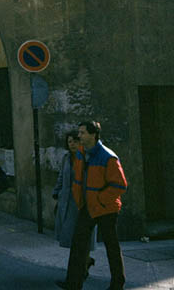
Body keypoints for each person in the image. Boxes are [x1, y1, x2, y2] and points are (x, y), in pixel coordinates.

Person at [56, 121, 127, 290]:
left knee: (112, 247)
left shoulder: (108, 157)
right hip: (87, 206)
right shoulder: (81, 152)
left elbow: (120, 185)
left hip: (106, 208)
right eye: (79, 133)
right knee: (78, 244)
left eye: (82, 133)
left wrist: (100, 199)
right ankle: (73, 283)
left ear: (93, 135)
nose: (79, 136)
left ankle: (117, 284)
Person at [53, 131, 96, 277]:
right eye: (69, 141)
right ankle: (84, 262)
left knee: (83, 236)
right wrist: (57, 191)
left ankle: (81, 268)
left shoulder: (86, 158)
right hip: (68, 201)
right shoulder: (66, 158)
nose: (72, 144)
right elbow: (61, 176)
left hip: (82, 201)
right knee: (72, 236)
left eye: (75, 141)